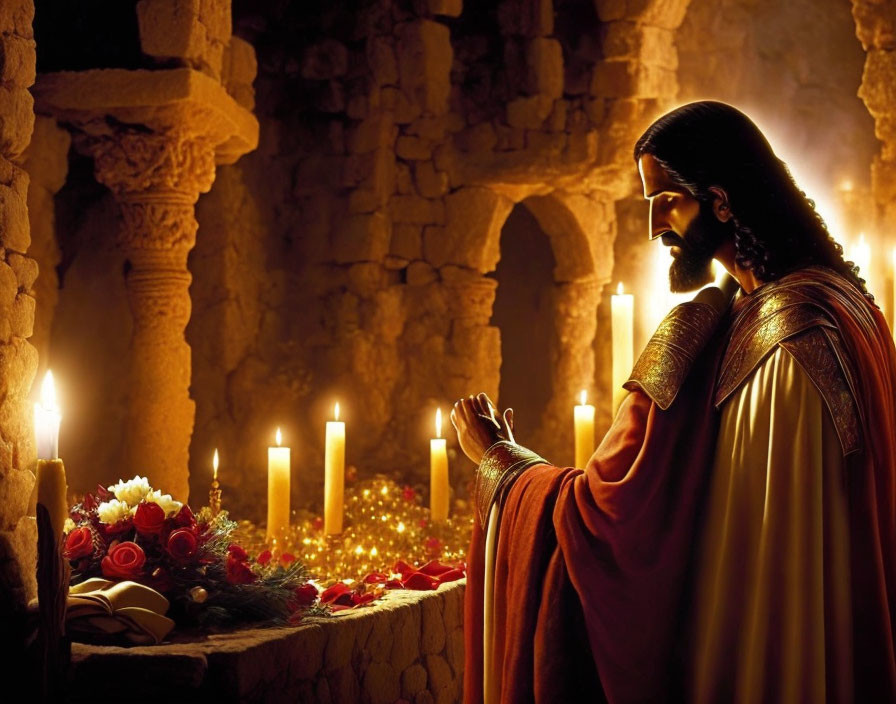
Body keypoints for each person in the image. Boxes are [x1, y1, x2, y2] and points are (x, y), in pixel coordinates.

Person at [452, 101, 896, 703]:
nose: (655, 225)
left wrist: (504, 467)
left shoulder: (789, 339)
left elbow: (625, 530)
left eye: (666, 200)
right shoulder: (812, 302)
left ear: (719, 200)